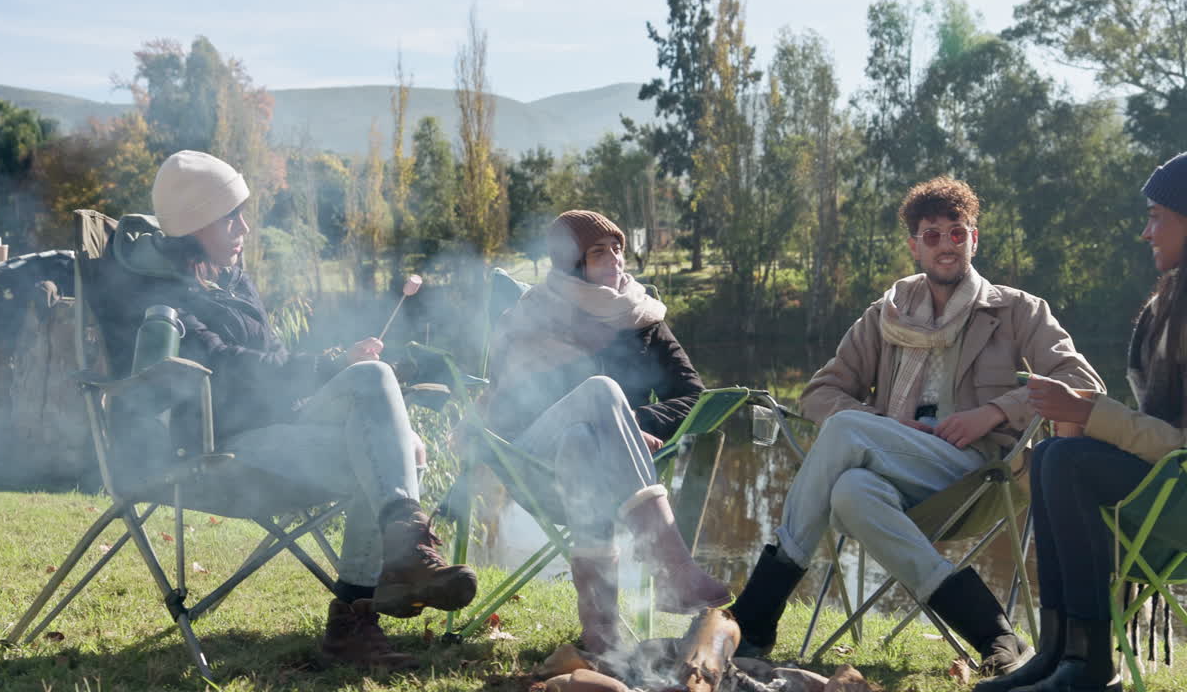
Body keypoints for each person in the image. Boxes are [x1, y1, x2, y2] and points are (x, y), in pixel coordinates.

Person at [95, 150, 477, 670]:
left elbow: (272, 358)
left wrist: (345, 376)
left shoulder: (231, 280)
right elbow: (225, 366)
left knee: (380, 397)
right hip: (225, 443)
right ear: (196, 223)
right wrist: (326, 364)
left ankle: (395, 565)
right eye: (232, 216)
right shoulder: (162, 297)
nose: (245, 227)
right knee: (378, 420)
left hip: (285, 425)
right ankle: (367, 606)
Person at [729, 177, 1104, 677]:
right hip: (897, 468)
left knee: (845, 432)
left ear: (975, 238)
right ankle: (993, 631)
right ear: (914, 246)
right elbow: (819, 393)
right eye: (932, 235)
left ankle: (754, 615)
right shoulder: (885, 316)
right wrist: (888, 424)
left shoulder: (1017, 310)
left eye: (957, 233)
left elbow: (1082, 381)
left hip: (980, 473)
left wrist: (990, 414)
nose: (946, 245)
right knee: (849, 491)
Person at [977, 154, 1187, 692]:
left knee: (1067, 461)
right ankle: (1058, 651)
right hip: (1165, 491)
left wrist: (1091, 412)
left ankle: (1090, 666)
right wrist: (1081, 418)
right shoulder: (1163, 310)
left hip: (1179, 501)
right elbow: (1151, 429)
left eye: (1156, 215)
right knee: (1051, 455)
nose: (1146, 232)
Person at [485, 209, 730, 656]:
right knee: (600, 392)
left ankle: (600, 635)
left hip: (606, 473)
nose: (617, 260)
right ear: (571, 264)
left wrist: (631, 425)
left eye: (618, 249)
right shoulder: (531, 317)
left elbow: (692, 395)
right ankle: (670, 564)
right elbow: (505, 412)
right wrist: (608, 412)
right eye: (599, 253)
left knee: (585, 439)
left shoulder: (642, 317)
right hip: (534, 465)